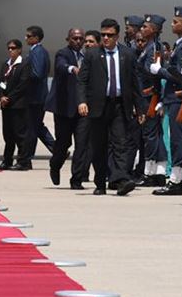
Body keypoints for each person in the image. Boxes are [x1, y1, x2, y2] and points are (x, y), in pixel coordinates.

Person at [74, 18, 138, 196]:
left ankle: (121, 179)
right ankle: (100, 182)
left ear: (117, 36)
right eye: (103, 35)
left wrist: (140, 107)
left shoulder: (127, 54)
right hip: (98, 106)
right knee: (99, 146)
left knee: (120, 143)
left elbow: (134, 82)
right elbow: (82, 81)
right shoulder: (92, 54)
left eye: (110, 35)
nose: (106, 38)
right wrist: (82, 101)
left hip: (119, 105)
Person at [150, 7, 182, 195]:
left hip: (177, 98)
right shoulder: (181, 45)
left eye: (176, 22)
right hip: (175, 99)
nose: (172, 24)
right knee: (179, 139)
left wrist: (160, 71)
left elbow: (180, 74)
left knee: (178, 140)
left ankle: (178, 181)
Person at [46, 28, 84, 188]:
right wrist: (72, 68)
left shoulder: (86, 56)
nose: (78, 41)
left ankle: (76, 179)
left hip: (82, 108)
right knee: (63, 143)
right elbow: (61, 66)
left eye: (81, 38)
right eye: (75, 38)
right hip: (64, 108)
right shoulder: (63, 54)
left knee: (82, 145)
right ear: (68, 39)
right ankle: (55, 165)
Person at [137, 14, 167, 186]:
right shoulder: (149, 47)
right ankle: (158, 171)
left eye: (145, 27)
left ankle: (151, 173)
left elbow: (151, 72)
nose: (142, 29)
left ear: (154, 30)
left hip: (149, 97)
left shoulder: (154, 48)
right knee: (154, 135)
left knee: (150, 135)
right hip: (147, 96)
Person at [20, 25, 54, 168]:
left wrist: (22, 77)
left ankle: (25, 160)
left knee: (31, 129)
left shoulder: (38, 52)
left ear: (36, 38)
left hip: (35, 97)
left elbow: (37, 73)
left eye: (28, 36)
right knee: (36, 127)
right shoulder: (36, 51)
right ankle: (57, 150)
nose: (26, 38)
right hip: (36, 96)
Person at [0, 39, 30, 170]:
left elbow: (23, 85)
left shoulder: (24, 64)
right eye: (9, 48)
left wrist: (9, 98)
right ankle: (7, 160)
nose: (10, 50)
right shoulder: (6, 64)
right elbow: (0, 82)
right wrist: (1, 97)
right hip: (6, 106)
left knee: (19, 134)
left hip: (18, 105)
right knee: (8, 134)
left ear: (19, 50)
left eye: (13, 48)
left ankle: (23, 161)